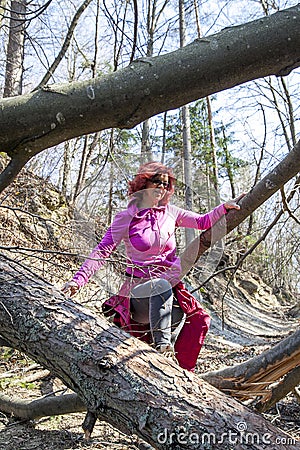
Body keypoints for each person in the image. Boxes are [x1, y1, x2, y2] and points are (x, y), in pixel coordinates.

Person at [62, 161, 243, 371]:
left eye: (166, 185)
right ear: (143, 184)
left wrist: (224, 207)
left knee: (199, 317)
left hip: (167, 296)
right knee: (160, 286)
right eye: (157, 182)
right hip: (138, 295)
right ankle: (164, 350)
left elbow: (203, 222)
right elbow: (102, 250)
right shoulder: (126, 217)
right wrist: (77, 281)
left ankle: (182, 371)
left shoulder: (171, 213)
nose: (162, 188)